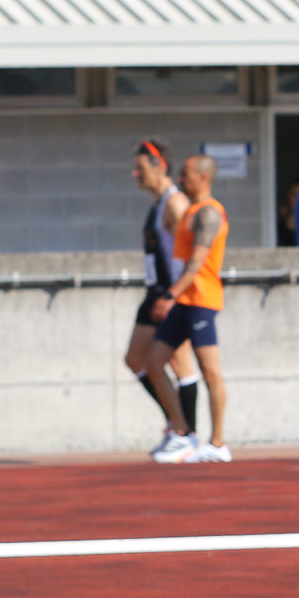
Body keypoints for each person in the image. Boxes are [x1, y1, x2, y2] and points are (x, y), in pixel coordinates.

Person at [152, 154, 232, 463]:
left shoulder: (210, 213)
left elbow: (196, 262)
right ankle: (183, 433)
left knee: (210, 372)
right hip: (183, 301)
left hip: (201, 301)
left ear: (203, 177)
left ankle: (218, 443)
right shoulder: (190, 211)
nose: (181, 179)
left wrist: (169, 295)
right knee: (154, 362)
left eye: (186, 174)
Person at [123, 139, 196, 459]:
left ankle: (186, 434)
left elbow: (191, 254)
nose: (135, 174)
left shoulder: (175, 203)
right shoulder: (159, 203)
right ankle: (177, 425)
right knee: (136, 359)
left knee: (178, 363)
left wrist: (175, 294)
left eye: (140, 168)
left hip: (170, 293)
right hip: (155, 291)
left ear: (159, 166)